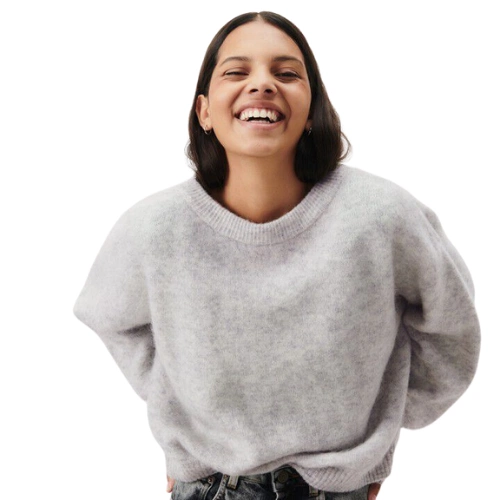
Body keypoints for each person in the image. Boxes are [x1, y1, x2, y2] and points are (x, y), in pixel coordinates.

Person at [73, 11, 481, 500]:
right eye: (236, 71)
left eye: (286, 73)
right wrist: (184, 415)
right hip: (205, 487)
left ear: (312, 110)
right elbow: (110, 317)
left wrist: (379, 431)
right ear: (204, 111)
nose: (262, 84)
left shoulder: (382, 217)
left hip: (337, 490)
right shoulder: (154, 227)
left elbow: (452, 328)